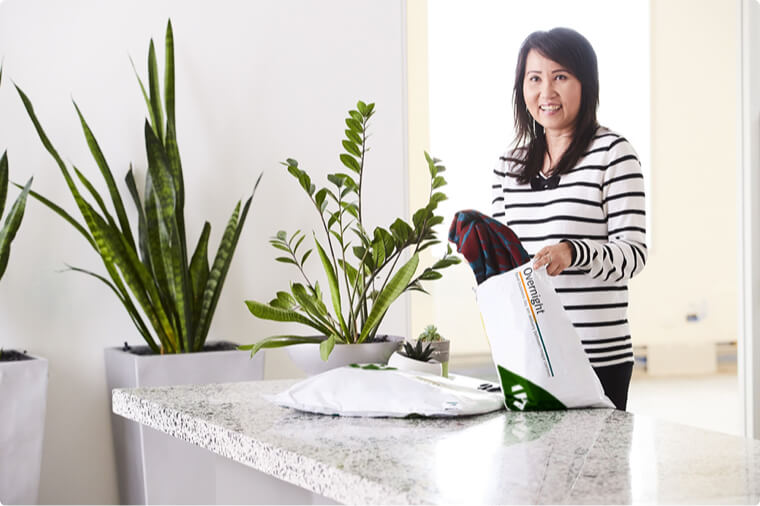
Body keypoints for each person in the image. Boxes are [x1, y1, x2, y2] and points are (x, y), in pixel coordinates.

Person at [491, 27, 647, 410]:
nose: (547, 92)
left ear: (586, 83)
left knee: (595, 471)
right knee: (530, 469)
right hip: (528, 358)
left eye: (560, 76)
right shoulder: (507, 166)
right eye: (535, 78)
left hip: (595, 356)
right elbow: (503, 266)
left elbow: (633, 255)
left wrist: (572, 253)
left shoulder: (613, 154)